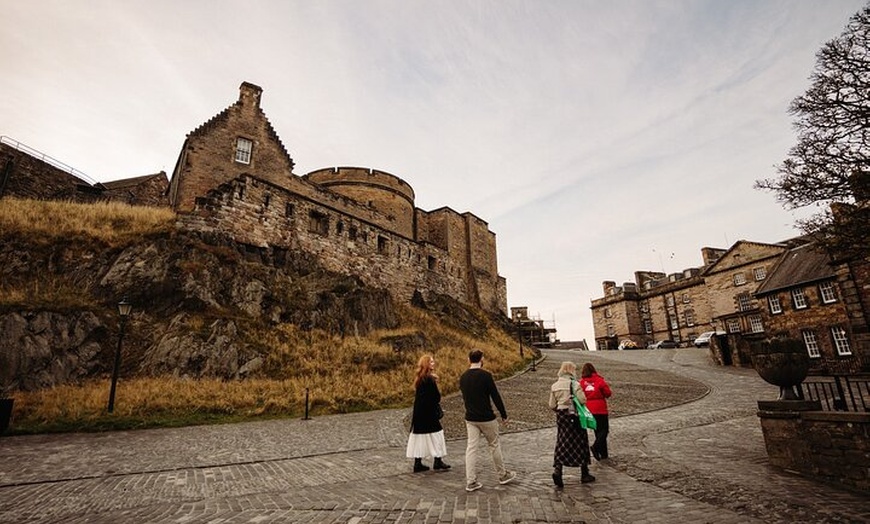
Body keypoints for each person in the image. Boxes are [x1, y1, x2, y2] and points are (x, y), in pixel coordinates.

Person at [459, 349, 517, 492]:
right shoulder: (486, 376)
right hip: (486, 418)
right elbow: (495, 396)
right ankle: (502, 475)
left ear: (469, 360)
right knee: (494, 445)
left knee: (471, 448)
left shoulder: (463, 377)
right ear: (482, 359)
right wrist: (504, 414)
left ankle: (471, 481)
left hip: (470, 418)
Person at [548, 361, 595, 487]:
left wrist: (560, 408)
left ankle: (558, 470)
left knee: (562, 441)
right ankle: (584, 472)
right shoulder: (574, 384)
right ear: (571, 371)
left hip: (561, 416)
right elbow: (582, 400)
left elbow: (551, 405)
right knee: (581, 441)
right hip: (574, 416)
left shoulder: (555, 385)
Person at [405, 354, 450, 472]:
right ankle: (438, 461)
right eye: (431, 362)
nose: (433, 363)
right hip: (428, 412)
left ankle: (418, 463)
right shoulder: (429, 379)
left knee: (420, 437)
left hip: (419, 412)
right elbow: (436, 397)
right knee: (437, 434)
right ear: (426, 364)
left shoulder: (420, 378)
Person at [580, 362, 612, 461]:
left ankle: (603, 453)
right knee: (604, 430)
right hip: (600, 408)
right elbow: (608, 393)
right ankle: (596, 447)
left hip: (589, 409)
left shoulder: (582, 382)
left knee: (597, 431)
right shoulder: (599, 380)